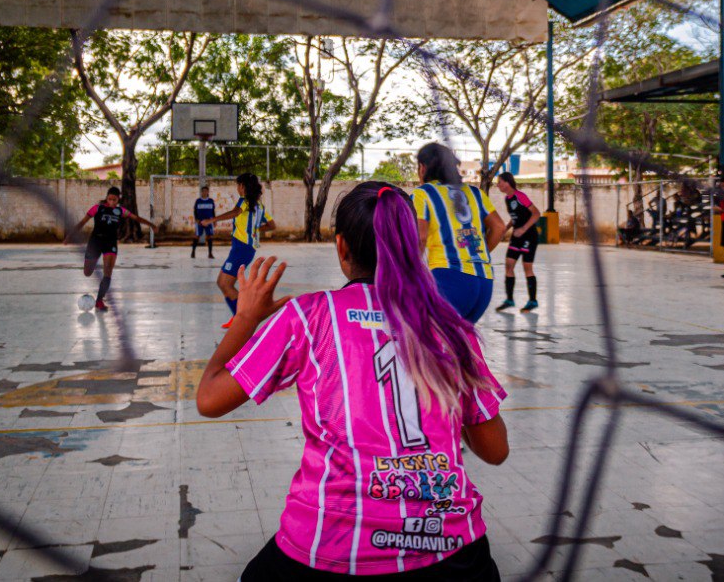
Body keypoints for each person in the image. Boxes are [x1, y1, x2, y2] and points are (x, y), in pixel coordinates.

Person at [196, 182, 508, 581]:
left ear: (341, 248)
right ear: (416, 247)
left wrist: (244, 318)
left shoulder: (309, 316)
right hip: (452, 550)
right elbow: (495, 450)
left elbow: (209, 399)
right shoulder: (451, 327)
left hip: (330, 544)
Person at [411, 143, 507, 323]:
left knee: (427, 333)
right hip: (484, 282)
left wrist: (409, 272)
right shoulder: (475, 193)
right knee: (460, 338)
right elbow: (499, 227)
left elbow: (420, 237)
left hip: (449, 279)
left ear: (422, 168)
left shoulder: (422, 194)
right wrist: (477, 254)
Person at [201, 172, 273, 329]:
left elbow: (235, 212)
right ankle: (238, 317)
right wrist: (254, 229)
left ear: (243, 186)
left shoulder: (244, 201)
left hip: (242, 248)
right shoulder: (259, 206)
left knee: (225, 284)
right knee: (222, 283)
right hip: (245, 249)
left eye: (238, 185)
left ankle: (244, 318)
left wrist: (212, 220)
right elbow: (271, 225)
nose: (237, 188)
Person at [65, 187, 156, 311]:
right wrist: (70, 235)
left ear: (118, 199)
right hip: (95, 242)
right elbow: (82, 222)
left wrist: (151, 225)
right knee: (87, 272)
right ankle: (93, 262)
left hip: (110, 243)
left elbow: (137, 218)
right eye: (110, 199)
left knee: (108, 271)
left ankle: (99, 300)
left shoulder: (121, 211)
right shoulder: (97, 208)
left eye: (114, 199)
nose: (112, 202)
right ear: (106, 198)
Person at [493, 172, 541, 313]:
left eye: (500, 182)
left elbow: (536, 213)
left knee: (527, 267)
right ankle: (509, 300)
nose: (498, 185)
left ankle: (532, 301)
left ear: (507, 182)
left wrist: (523, 229)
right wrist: (505, 229)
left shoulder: (520, 196)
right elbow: (515, 217)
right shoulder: (507, 199)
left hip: (529, 236)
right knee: (509, 265)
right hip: (516, 237)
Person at [191, 185, 216, 259]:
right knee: (197, 236)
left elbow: (213, 211)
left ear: (208, 192)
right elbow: (195, 211)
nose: (204, 192)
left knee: (210, 236)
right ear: (201, 192)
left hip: (209, 221)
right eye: (203, 191)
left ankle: (210, 253)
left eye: (206, 191)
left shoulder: (211, 201)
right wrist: (196, 219)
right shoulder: (198, 201)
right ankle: (193, 252)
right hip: (200, 221)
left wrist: (214, 220)